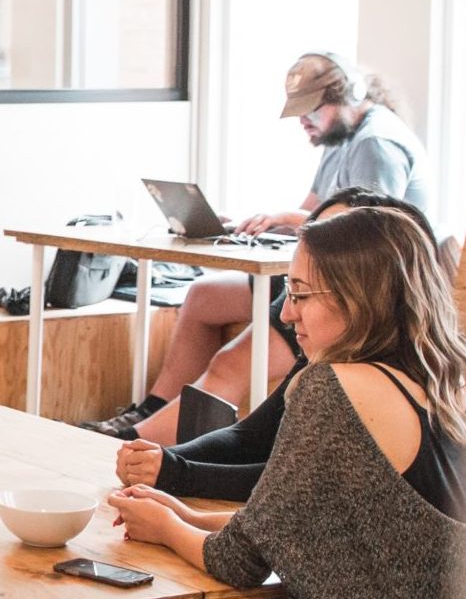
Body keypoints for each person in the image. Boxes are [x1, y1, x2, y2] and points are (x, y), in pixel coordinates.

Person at [106, 205, 466, 599]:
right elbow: (296, 526)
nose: (286, 315)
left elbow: (238, 562)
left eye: (299, 294)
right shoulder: (450, 382)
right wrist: (178, 516)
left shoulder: (335, 389)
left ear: (358, 298)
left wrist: (164, 525)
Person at [86, 52, 435, 442]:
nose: (304, 122)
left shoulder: (377, 144)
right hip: (325, 277)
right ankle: (152, 409)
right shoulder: (340, 138)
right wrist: (263, 224)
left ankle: (137, 443)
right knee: (203, 297)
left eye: (311, 111)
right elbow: (313, 211)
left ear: (347, 97)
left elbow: (369, 238)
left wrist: (292, 220)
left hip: (353, 292)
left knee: (230, 363)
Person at [113, 188, 443, 501]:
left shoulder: (354, 384)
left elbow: (283, 495)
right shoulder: (345, 355)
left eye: (302, 291)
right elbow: (253, 439)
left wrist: (172, 473)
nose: (287, 313)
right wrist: (160, 458)